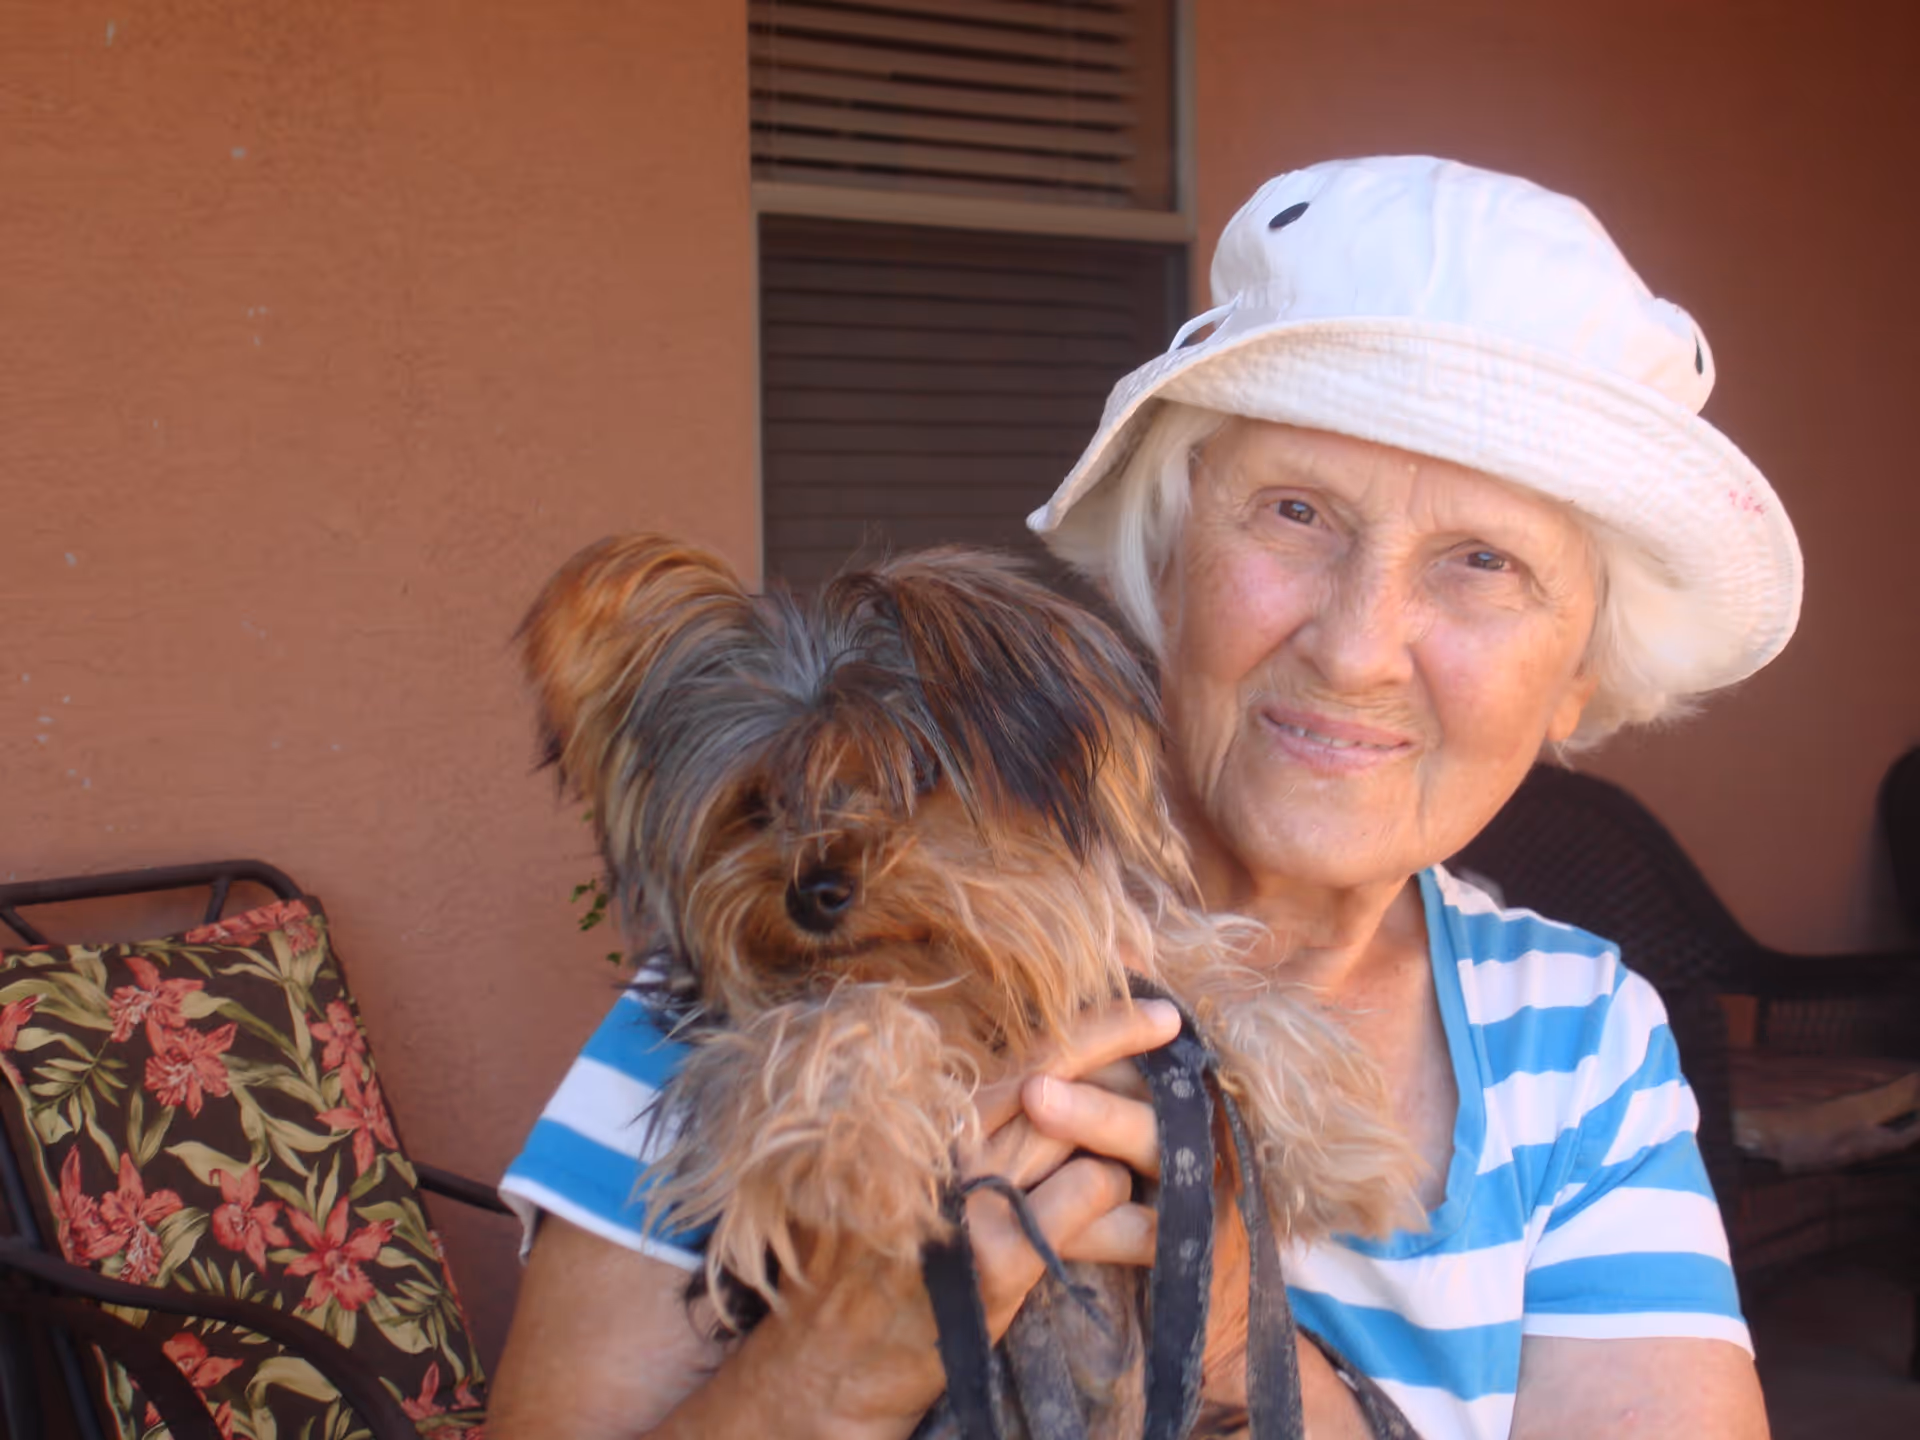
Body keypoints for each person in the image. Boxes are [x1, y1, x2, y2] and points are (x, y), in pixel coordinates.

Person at [488, 155, 1798, 1440]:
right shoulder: (768, 973)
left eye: (1483, 561)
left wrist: (1224, 1314)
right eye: (1295, 511)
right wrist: (842, 1365)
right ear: (1166, 555)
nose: (1356, 646)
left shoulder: (1577, 1035)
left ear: (1575, 679)